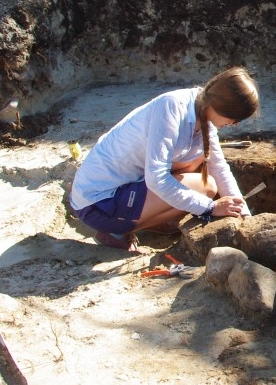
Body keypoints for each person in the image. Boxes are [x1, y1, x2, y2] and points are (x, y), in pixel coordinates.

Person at [70, 67, 260, 252]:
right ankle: (114, 232)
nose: (234, 125)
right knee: (205, 188)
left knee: (199, 165)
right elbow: (156, 178)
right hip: (97, 203)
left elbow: (218, 167)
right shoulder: (171, 108)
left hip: (125, 187)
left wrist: (244, 214)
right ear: (220, 106)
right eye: (235, 118)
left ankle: (151, 219)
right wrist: (210, 208)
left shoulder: (203, 112)